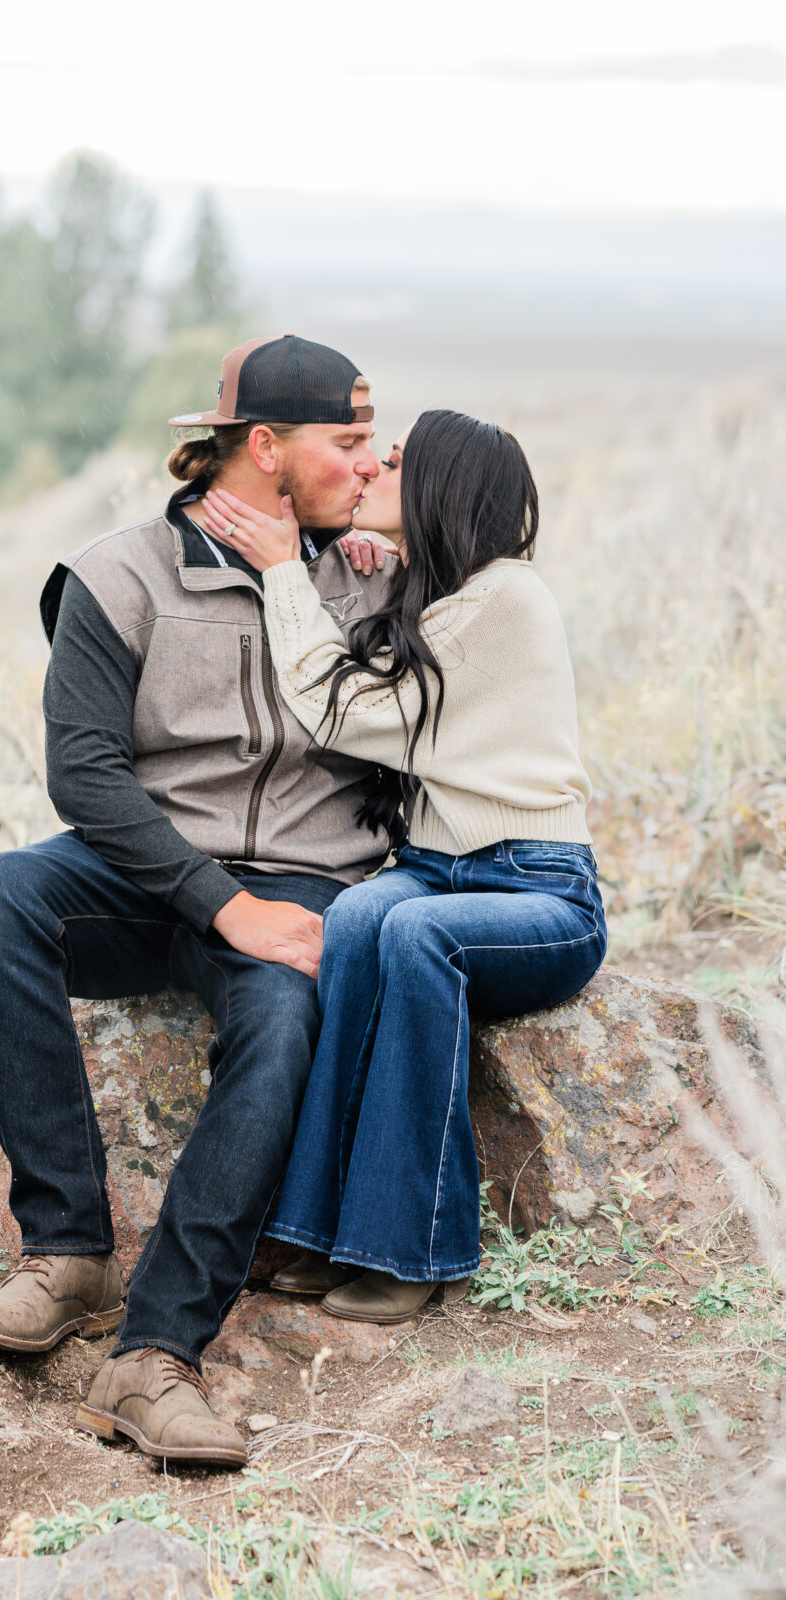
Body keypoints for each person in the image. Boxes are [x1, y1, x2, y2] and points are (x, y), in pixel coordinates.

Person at [0, 335, 392, 1467]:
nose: (368, 460)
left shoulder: (368, 572)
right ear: (262, 447)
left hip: (303, 876)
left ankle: (153, 1354)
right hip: (149, 873)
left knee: (283, 1016)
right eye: (344, 442)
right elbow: (84, 771)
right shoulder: (117, 573)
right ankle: (67, 1251)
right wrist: (215, 902)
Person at [200, 408, 608, 1324]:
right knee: (355, 919)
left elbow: (340, 712)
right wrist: (367, 568)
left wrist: (279, 570)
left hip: (539, 888)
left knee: (418, 934)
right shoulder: (443, 594)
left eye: (392, 461)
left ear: (439, 488)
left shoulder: (505, 598)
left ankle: (412, 1246)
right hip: (435, 866)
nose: (371, 468)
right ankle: (314, 1230)